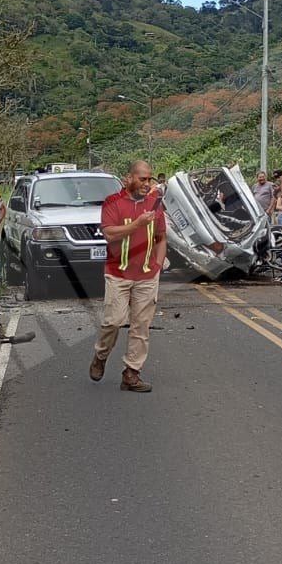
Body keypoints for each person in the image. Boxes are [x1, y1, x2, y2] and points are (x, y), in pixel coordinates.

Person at [90, 160, 167, 393]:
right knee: (112, 321)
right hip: (118, 274)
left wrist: (159, 264)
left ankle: (131, 373)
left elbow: (161, 237)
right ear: (129, 178)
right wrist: (137, 224)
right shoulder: (113, 203)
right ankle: (101, 356)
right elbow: (110, 235)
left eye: (149, 179)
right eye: (142, 179)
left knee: (141, 326)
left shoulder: (155, 204)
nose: (147, 183)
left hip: (146, 275)